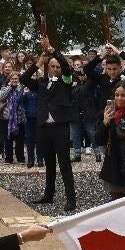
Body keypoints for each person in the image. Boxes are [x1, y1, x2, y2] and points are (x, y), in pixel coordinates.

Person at [22, 38, 77, 212]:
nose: (55, 69)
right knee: (49, 163)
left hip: (60, 127)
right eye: (52, 66)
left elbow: (65, 66)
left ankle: (70, 198)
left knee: (64, 164)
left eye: (57, 67)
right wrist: (37, 64)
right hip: (43, 127)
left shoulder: (66, 81)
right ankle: (49, 194)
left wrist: (51, 49)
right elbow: (23, 78)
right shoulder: (41, 83)